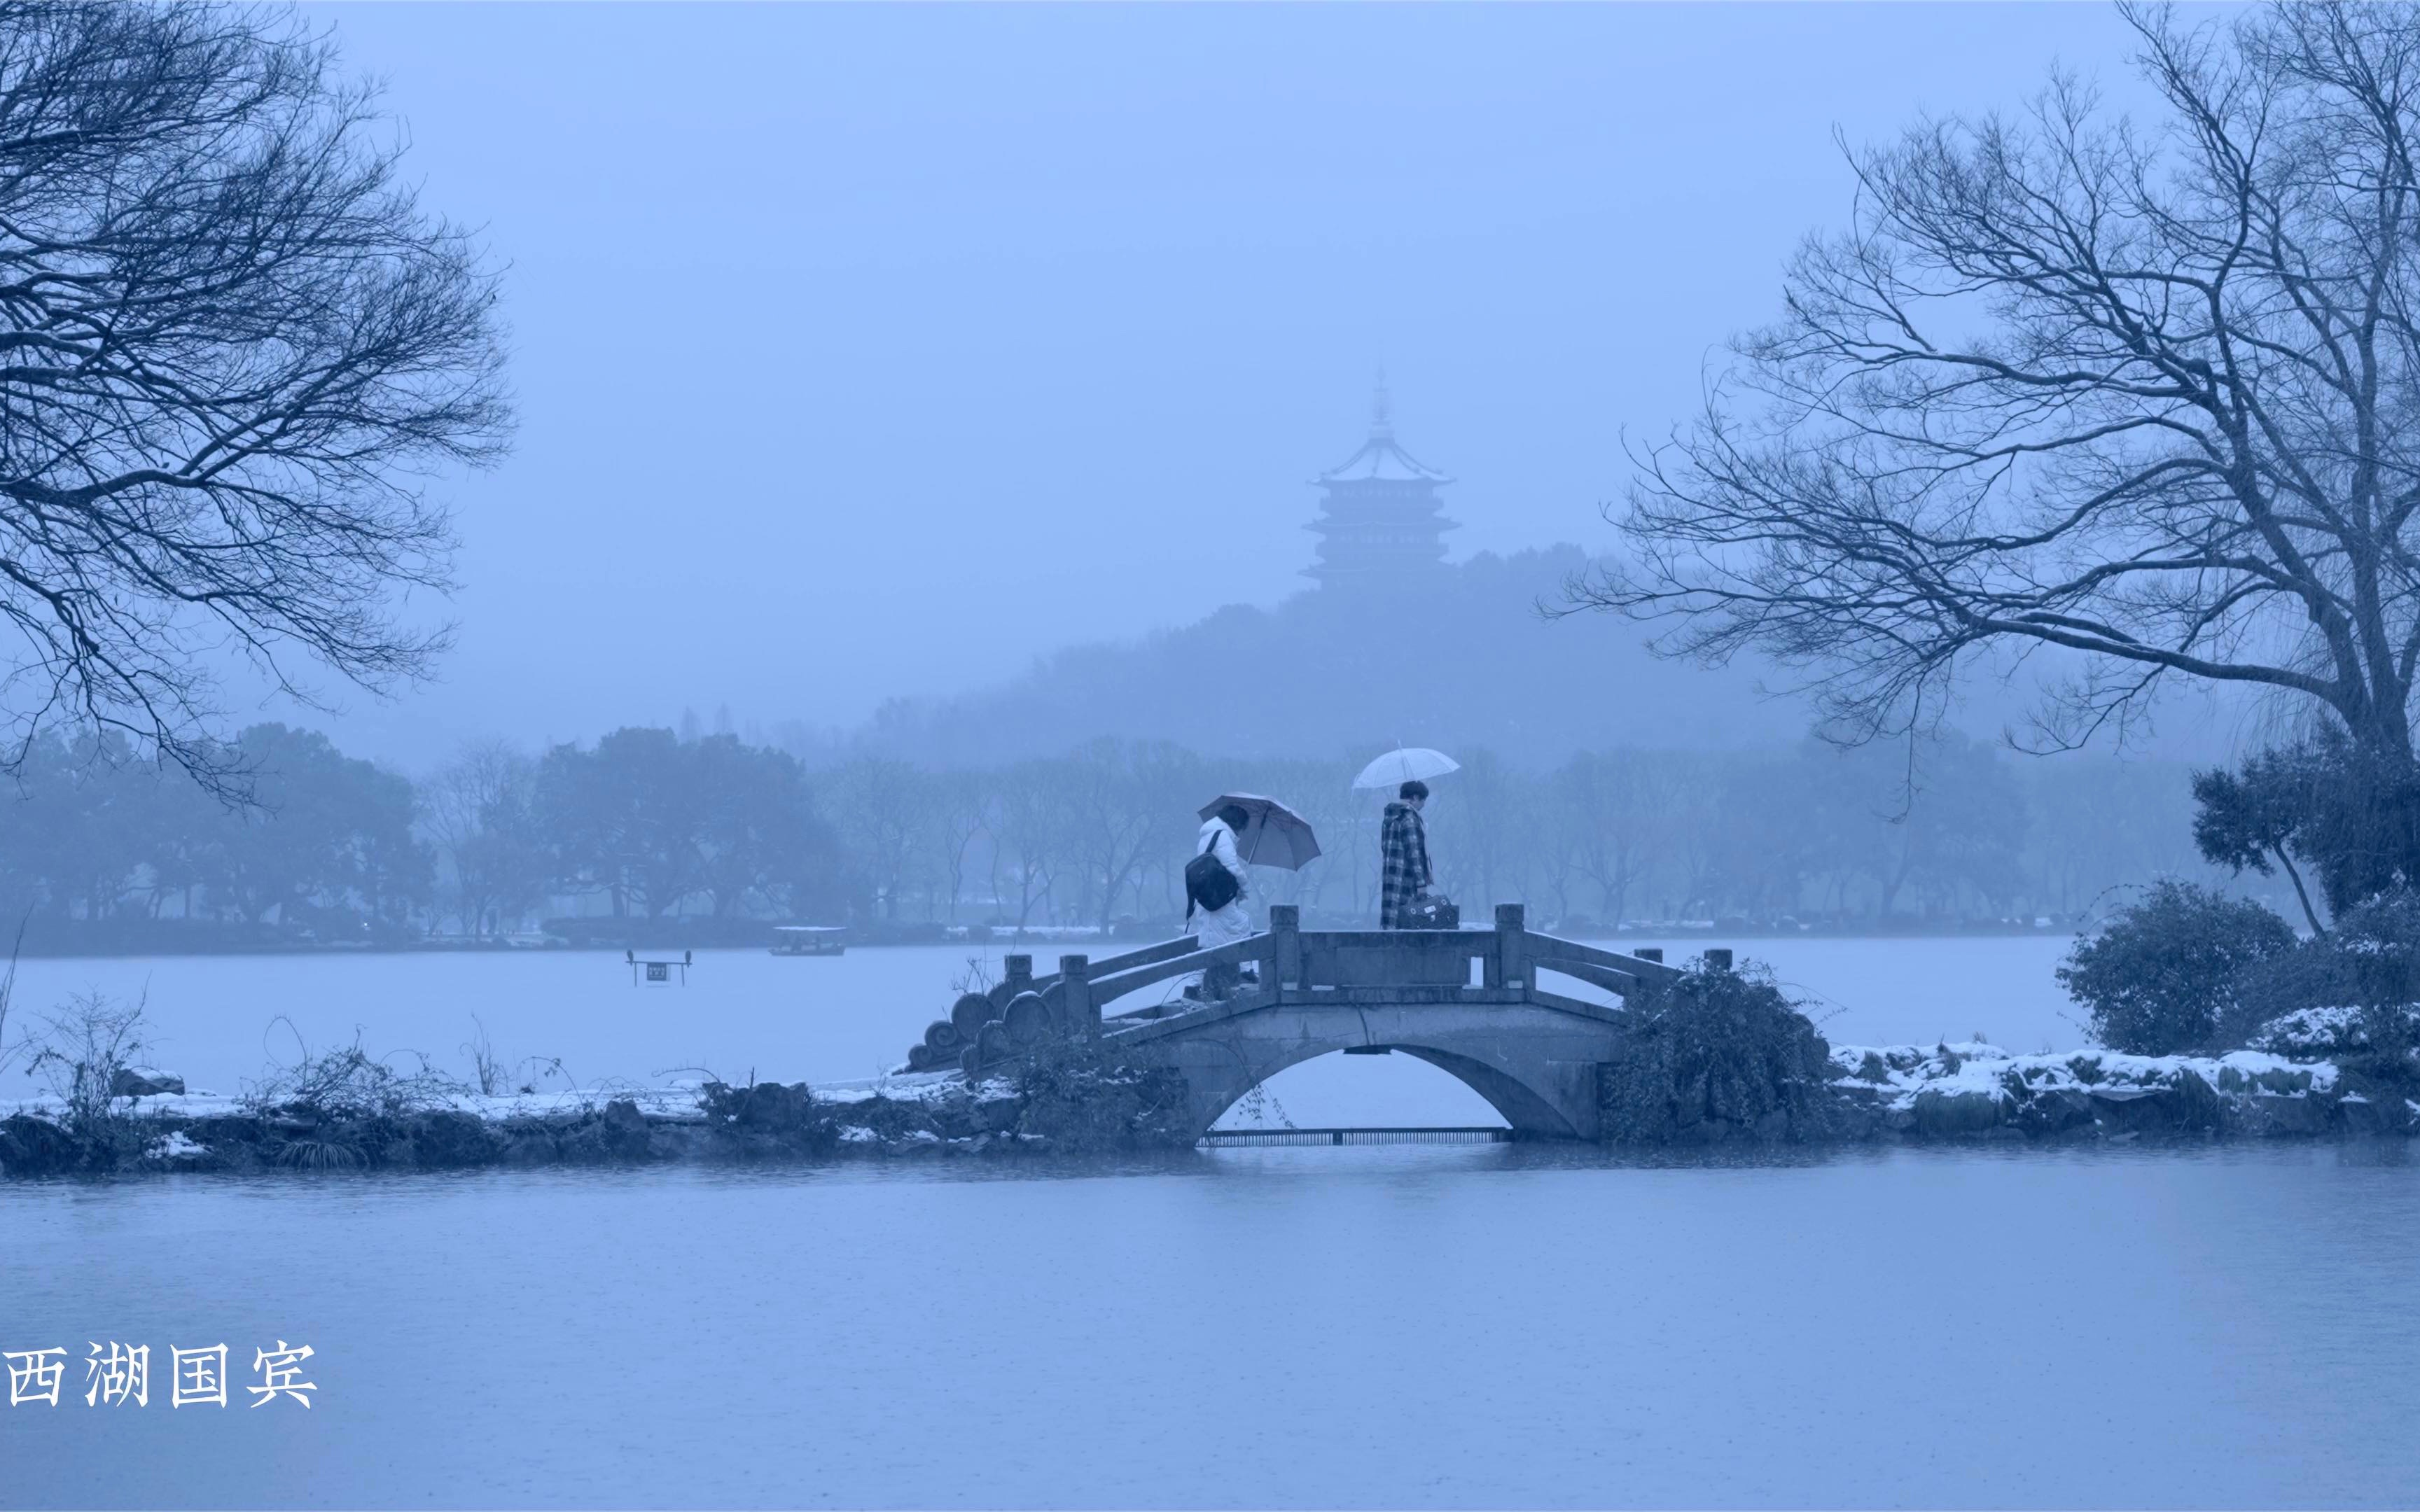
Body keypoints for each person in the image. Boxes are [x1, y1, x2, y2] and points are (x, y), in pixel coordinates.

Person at [1187, 802, 1253, 998]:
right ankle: (1246, 971)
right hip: (1218, 900)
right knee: (1242, 925)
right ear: (1237, 823)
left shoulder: (1210, 834)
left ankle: (1192, 987)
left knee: (1210, 941)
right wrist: (1244, 886)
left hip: (1208, 898)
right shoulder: (1223, 836)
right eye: (1242, 828)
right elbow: (1230, 866)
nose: (1242, 833)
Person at [1379, 780, 1434, 929]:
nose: (1423, 805)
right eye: (1423, 800)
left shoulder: (1388, 819)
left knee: (1391, 922)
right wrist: (1421, 884)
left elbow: (1384, 848)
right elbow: (1414, 854)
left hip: (1390, 879)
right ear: (1415, 797)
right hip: (1407, 881)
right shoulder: (1409, 818)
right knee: (1408, 923)